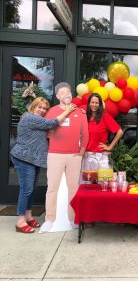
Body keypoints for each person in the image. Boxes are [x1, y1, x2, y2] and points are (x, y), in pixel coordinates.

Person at [10, 97, 76, 234]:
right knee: (26, 189)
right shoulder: (29, 117)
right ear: (33, 106)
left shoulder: (38, 120)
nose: (42, 110)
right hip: (24, 158)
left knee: (31, 189)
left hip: (33, 159)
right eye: (39, 107)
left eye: (45, 108)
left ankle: (28, 216)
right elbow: (53, 123)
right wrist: (68, 110)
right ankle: (20, 220)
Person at [40, 82, 89, 233]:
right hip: (55, 154)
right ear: (57, 96)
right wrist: (66, 113)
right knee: (52, 188)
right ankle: (49, 219)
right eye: (62, 93)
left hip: (74, 156)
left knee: (73, 189)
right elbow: (48, 131)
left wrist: (81, 151)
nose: (66, 94)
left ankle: (73, 219)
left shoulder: (80, 113)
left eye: (68, 92)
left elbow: (85, 134)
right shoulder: (52, 111)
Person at [82, 93, 123, 180]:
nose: (94, 105)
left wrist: (110, 147)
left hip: (100, 156)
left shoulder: (104, 116)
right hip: (86, 157)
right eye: (92, 102)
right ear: (89, 103)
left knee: (103, 185)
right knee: (87, 186)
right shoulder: (85, 117)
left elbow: (120, 132)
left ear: (100, 104)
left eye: (96, 103)